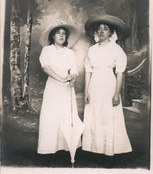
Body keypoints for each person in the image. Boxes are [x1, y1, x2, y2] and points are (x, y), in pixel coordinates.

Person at [82, 15, 132, 156]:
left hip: (109, 85)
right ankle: (94, 147)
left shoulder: (116, 49)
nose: (102, 31)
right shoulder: (92, 50)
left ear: (111, 32)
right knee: (95, 114)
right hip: (94, 85)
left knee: (108, 115)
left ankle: (109, 149)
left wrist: (117, 93)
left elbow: (120, 73)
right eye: (99, 29)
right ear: (96, 32)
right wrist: (86, 92)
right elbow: (88, 71)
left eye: (106, 29)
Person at [37, 23, 82, 163]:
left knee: (66, 117)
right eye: (58, 33)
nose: (62, 35)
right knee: (51, 116)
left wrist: (72, 80)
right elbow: (46, 68)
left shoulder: (70, 53)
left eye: (64, 33)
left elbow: (74, 71)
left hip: (67, 89)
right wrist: (62, 78)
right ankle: (49, 148)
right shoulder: (47, 50)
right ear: (52, 36)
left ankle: (66, 147)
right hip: (53, 87)